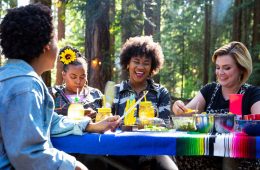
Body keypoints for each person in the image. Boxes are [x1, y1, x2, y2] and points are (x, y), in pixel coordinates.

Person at [0, 4, 119, 170]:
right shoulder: (26, 87)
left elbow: (49, 121)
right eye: (55, 39)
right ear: (46, 46)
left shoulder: (15, 78)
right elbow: (27, 154)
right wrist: (74, 166)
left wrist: (89, 125)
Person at [172, 41, 260, 169]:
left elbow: (258, 121)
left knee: (230, 156)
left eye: (227, 68)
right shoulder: (210, 90)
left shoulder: (252, 93)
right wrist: (178, 107)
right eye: (218, 67)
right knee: (184, 150)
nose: (220, 73)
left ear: (241, 69)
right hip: (207, 154)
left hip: (240, 157)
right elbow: (184, 115)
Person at [111, 36, 178, 170]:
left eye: (146, 63)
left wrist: (146, 123)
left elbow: (165, 125)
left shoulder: (161, 92)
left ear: (152, 66)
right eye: (136, 61)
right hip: (122, 150)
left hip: (154, 149)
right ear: (127, 64)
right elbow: (106, 123)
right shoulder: (115, 91)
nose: (140, 67)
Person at [49, 46, 103, 119]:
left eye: (82, 77)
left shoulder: (96, 94)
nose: (78, 81)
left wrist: (97, 116)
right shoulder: (53, 94)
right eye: (73, 77)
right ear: (64, 75)